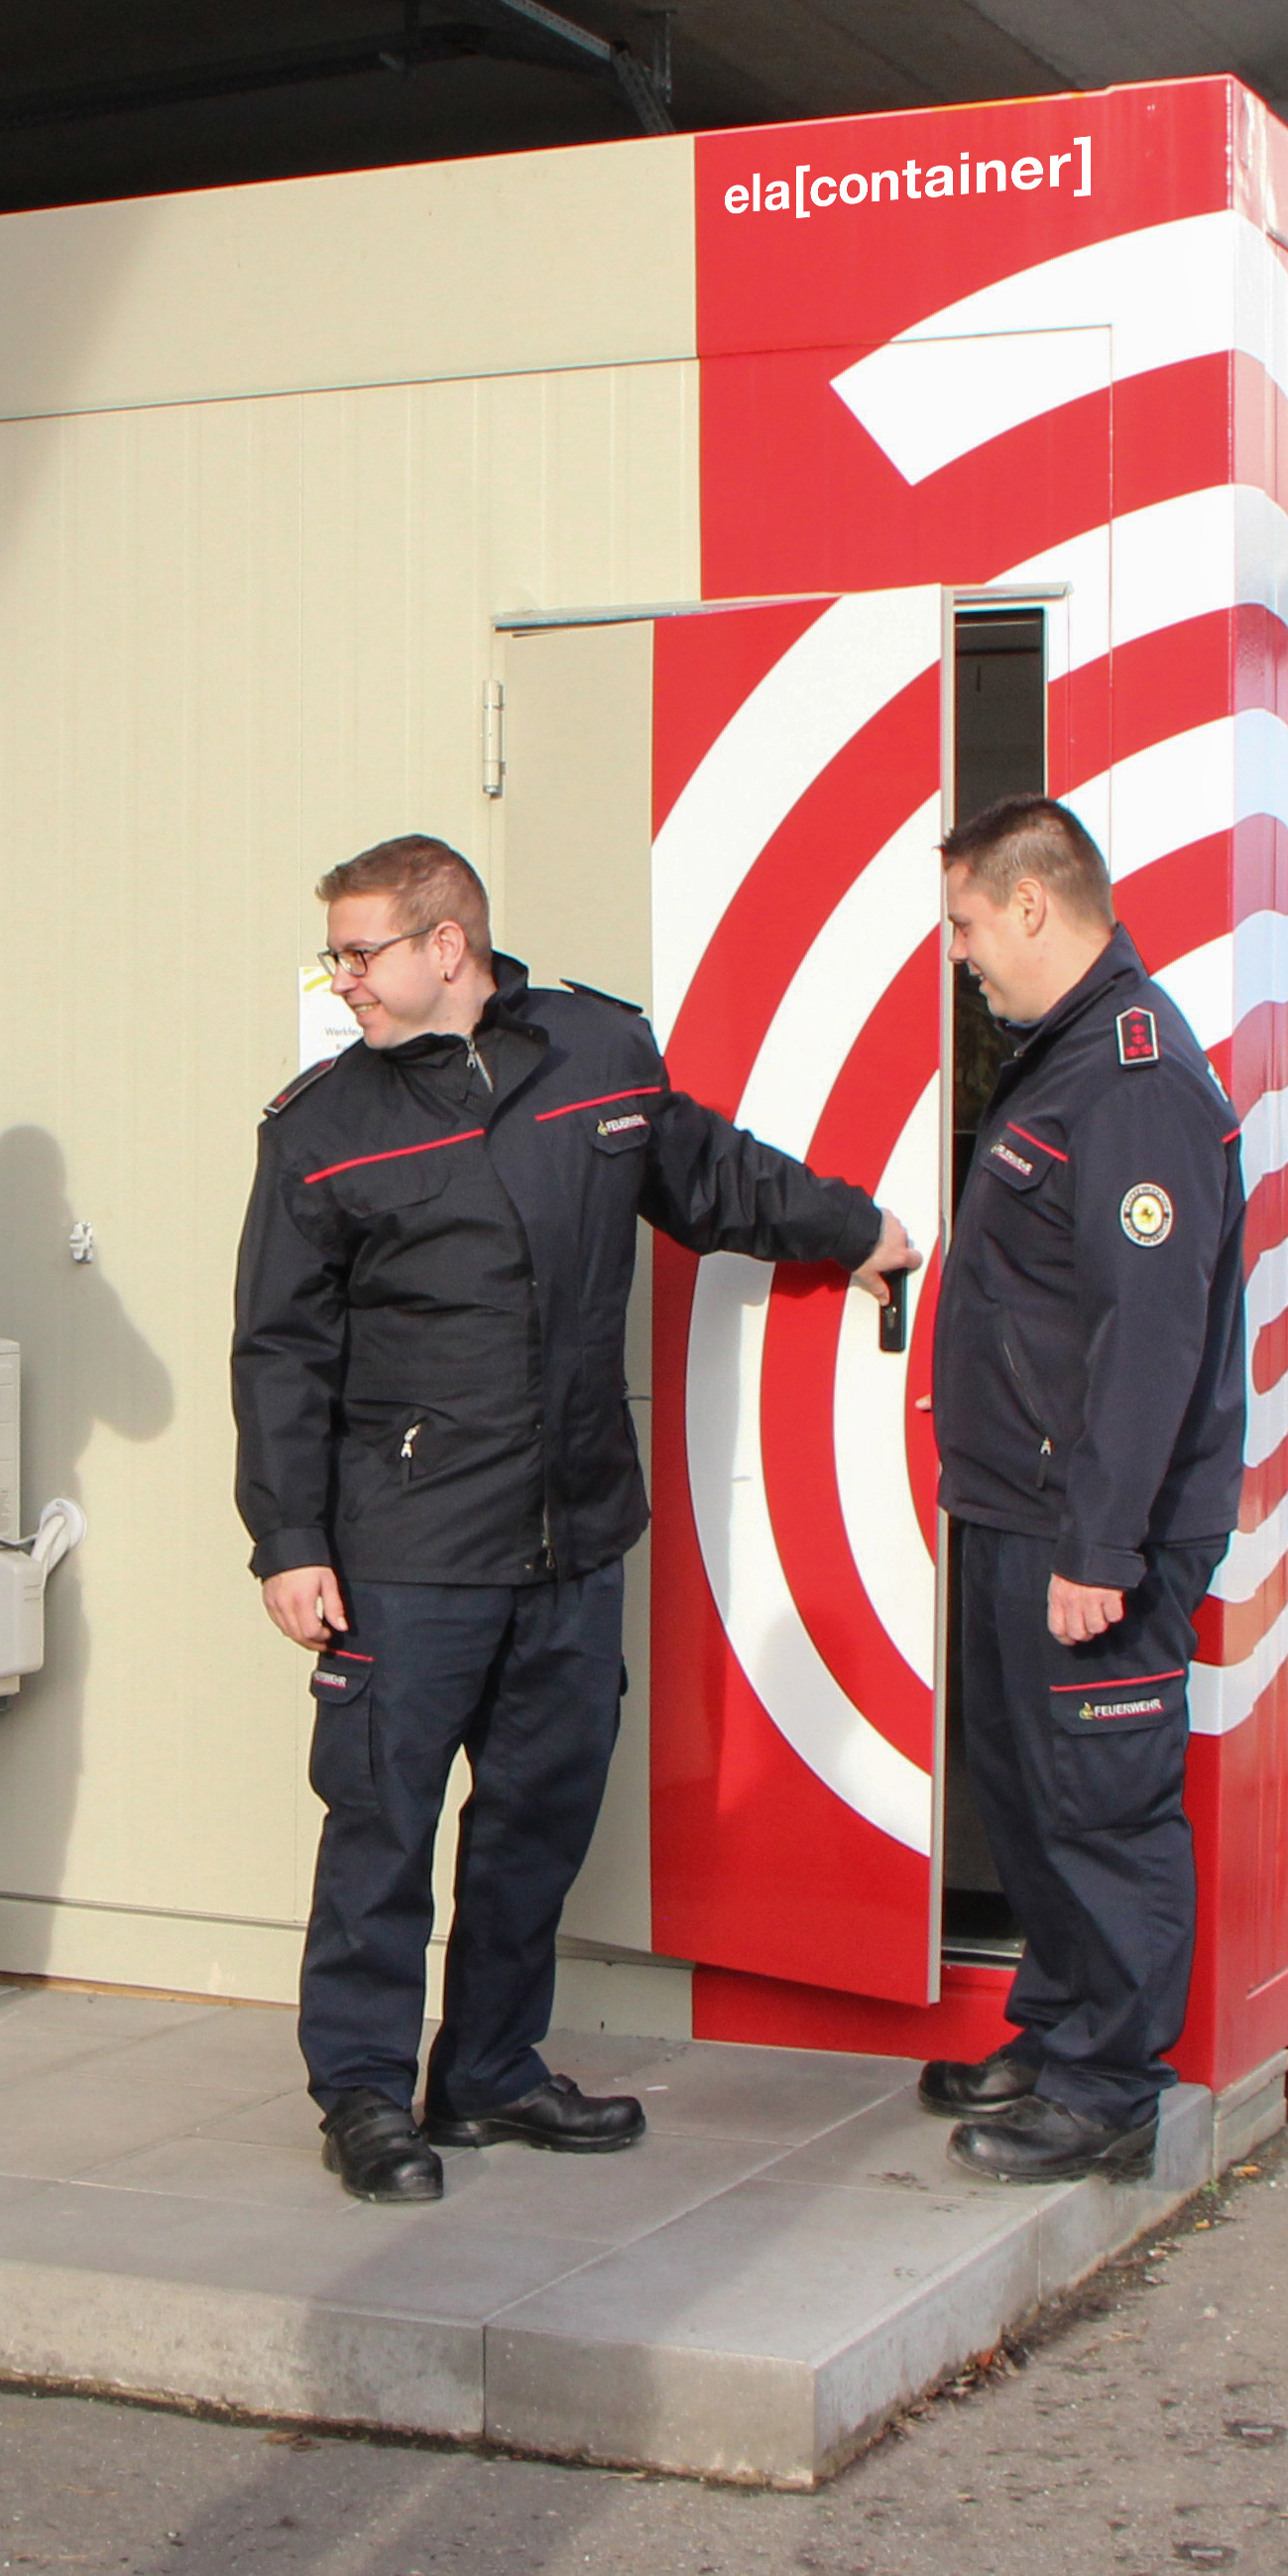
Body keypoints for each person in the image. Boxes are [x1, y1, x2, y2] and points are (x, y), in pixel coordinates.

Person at [234, 835, 920, 2204]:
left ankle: (487, 2069)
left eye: (360, 951)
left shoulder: (599, 1057)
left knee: (539, 1817)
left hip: (571, 1527)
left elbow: (714, 1178)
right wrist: (289, 1539)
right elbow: (278, 1349)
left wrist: (859, 1232)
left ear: (447, 946)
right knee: (382, 1825)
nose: (342, 979)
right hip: (408, 1545)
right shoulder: (320, 1130)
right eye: (337, 956)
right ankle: (365, 2097)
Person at [918, 795, 1248, 2182]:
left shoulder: (1130, 1080)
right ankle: (1057, 2032)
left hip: (1086, 1530)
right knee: (1032, 1784)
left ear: (1035, 905)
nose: (959, 953)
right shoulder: (1058, 1065)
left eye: (967, 923)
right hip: (1018, 1513)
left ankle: (1111, 2087)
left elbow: (1148, 1337)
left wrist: (1103, 1548)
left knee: (1101, 1800)